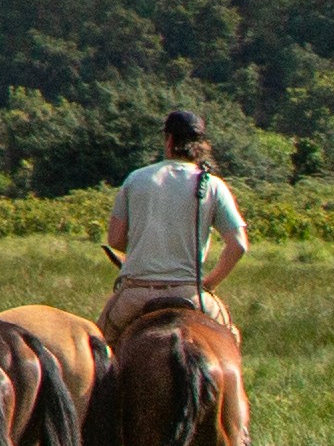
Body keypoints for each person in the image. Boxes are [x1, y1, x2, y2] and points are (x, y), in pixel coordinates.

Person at [103, 107, 246, 340]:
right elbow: (239, 244)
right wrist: (210, 283)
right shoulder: (213, 184)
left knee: (99, 349)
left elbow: (115, 239)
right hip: (191, 294)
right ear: (200, 144)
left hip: (136, 294)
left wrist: (145, 250)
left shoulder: (135, 179)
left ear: (168, 139)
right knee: (230, 338)